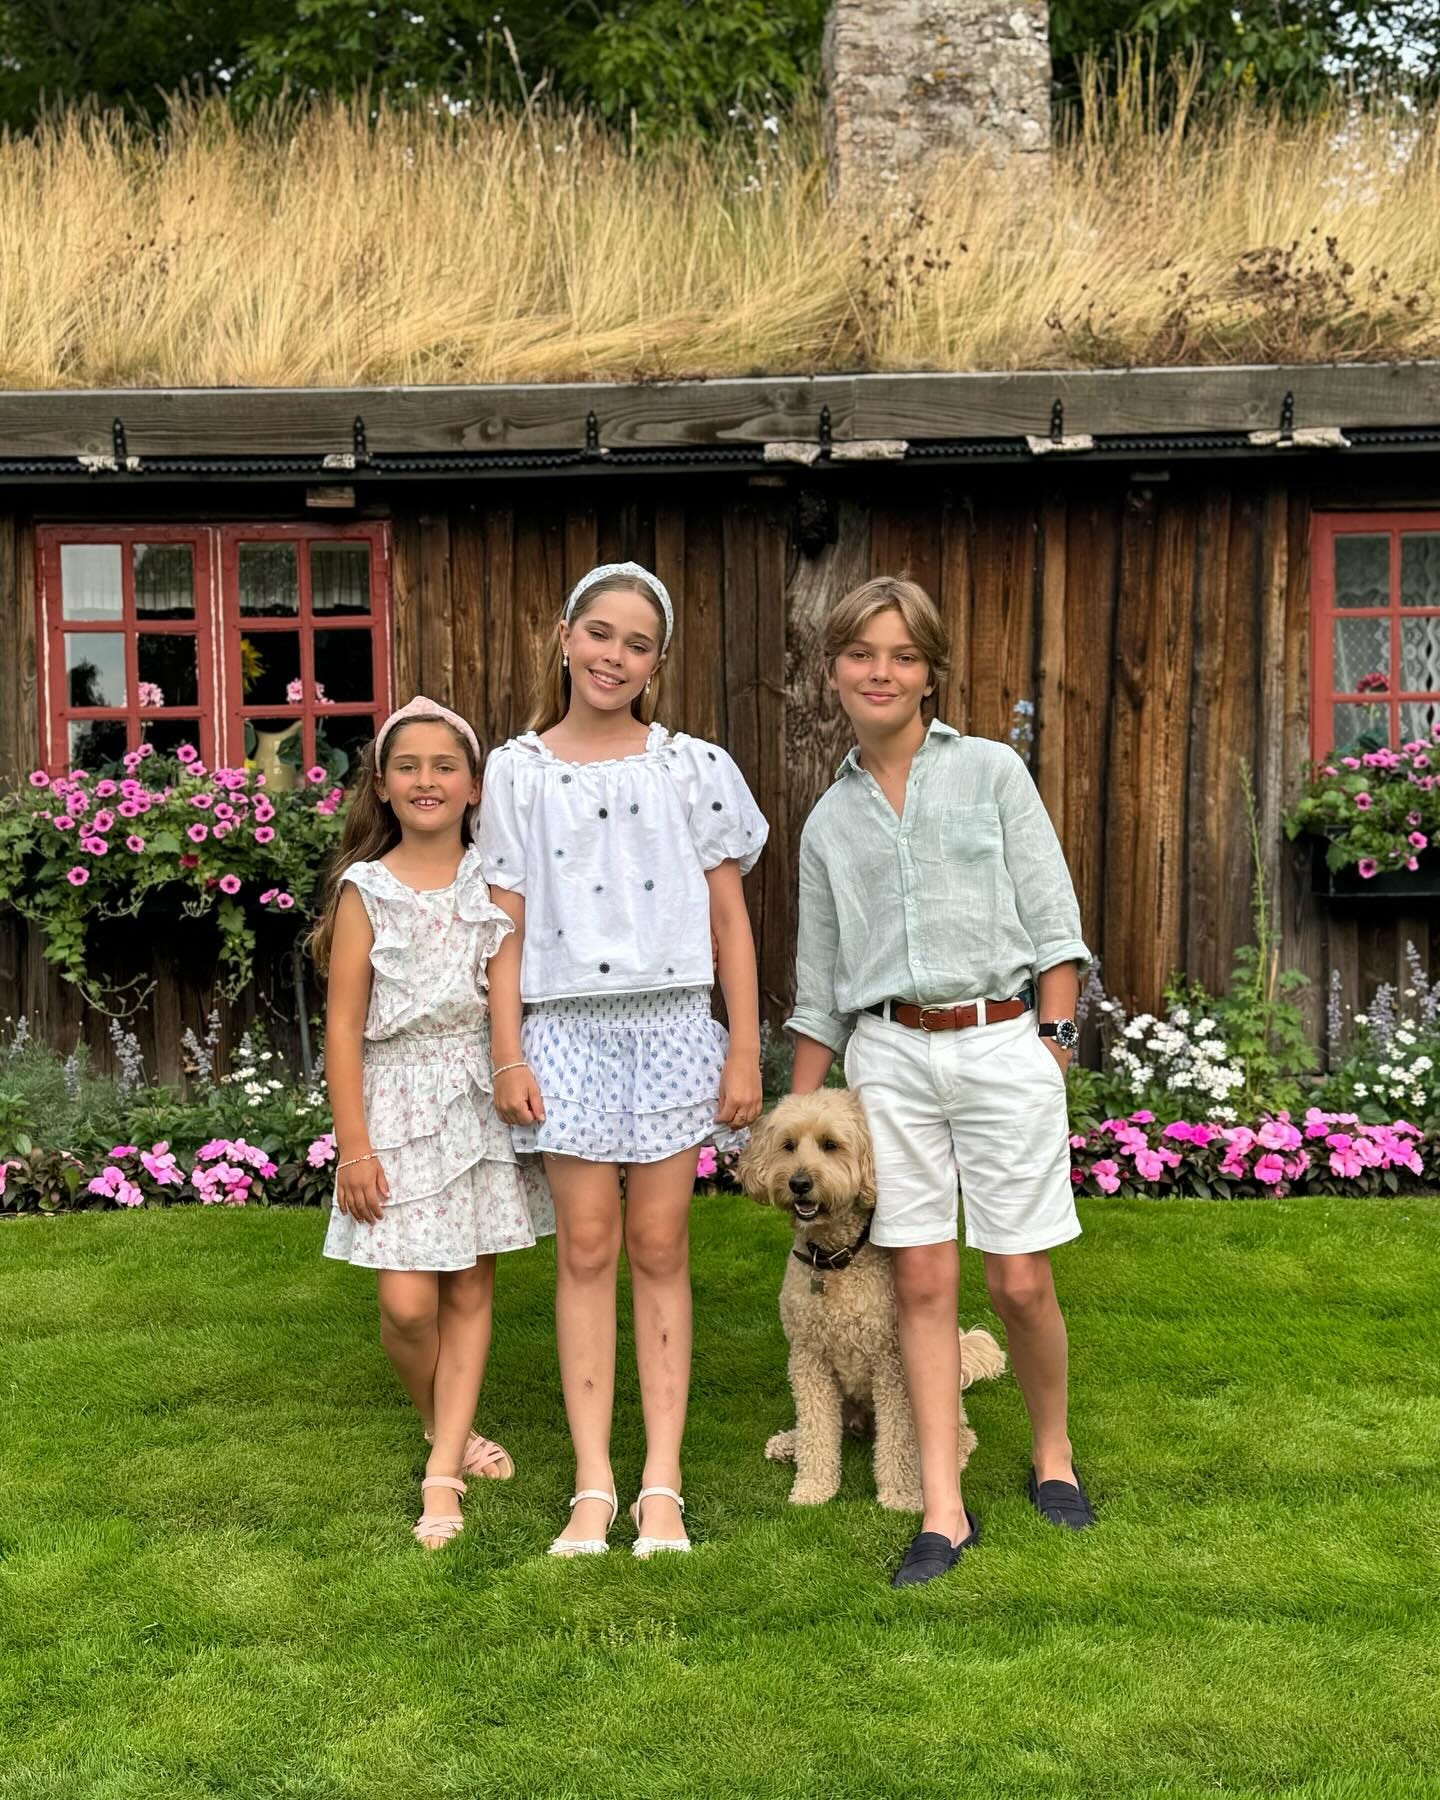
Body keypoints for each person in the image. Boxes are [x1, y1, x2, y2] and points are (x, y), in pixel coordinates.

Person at [785, 577, 1095, 1590]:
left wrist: (1047, 1046)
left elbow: (1054, 924)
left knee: (1016, 1278)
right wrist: (797, 1117)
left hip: (1002, 1043)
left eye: (903, 656)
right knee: (920, 1280)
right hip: (891, 1062)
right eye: (863, 654)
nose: (881, 672)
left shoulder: (993, 773)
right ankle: (942, 1510)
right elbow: (822, 988)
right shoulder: (829, 822)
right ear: (834, 671)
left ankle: (1051, 1452)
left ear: (930, 673)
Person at [479, 560, 767, 1559]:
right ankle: (594, 1486)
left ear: (659, 662)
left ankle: (663, 1485)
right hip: (562, 1030)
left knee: (660, 1248)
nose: (614, 655)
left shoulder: (694, 768)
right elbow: (504, 922)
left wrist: (741, 1042)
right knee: (585, 1249)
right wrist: (507, 1052)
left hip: (674, 1025)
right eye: (599, 633)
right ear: (564, 636)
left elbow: (729, 916)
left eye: (637, 644)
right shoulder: (518, 771)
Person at [316, 696, 553, 1550]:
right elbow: (344, 1026)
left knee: (468, 1285)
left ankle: (444, 1471)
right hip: (396, 1104)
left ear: (473, 785)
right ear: (381, 786)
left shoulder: (491, 883)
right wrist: (354, 1146)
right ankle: (436, 1420)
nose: (427, 780)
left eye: (444, 766)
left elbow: (504, 989)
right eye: (409, 766)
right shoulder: (364, 891)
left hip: (473, 1102)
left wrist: (509, 1067)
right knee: (408, 1302)